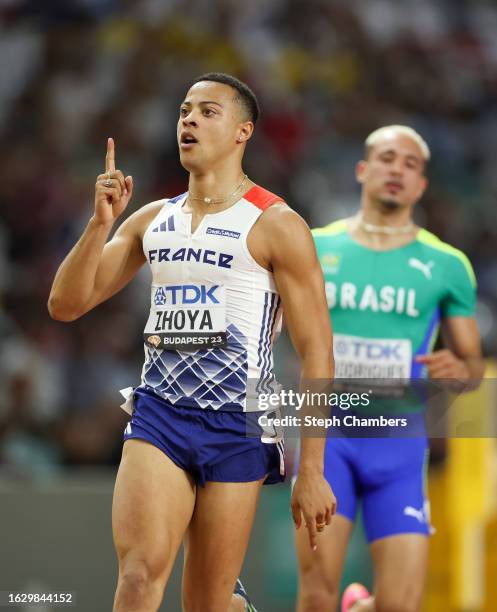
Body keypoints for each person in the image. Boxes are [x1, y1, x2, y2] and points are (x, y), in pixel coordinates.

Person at [48, 72, 336, 612]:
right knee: (137, 578)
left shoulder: (277, 225)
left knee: (206, 602)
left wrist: (312, 470)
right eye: (184, 111)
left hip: (239, 422)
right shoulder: (153, 219)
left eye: (207, 112)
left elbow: (318, 350)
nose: (189, 121)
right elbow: (65, 305)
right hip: (160, 413)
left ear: (241, 132)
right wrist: (97, 225)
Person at [295, 125, 485, 612]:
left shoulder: (447, 265)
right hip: (329, 441)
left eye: (410, 164)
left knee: (399, 606)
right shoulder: (314, 246)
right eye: (386, 158)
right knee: (317, 594)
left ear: (421, 185)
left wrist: (457, 370)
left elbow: (472, 367)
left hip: (399, 444)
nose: (397, 169)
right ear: (363, 170)